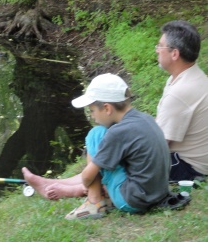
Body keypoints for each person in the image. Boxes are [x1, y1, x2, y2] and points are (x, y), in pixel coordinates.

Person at [24, 73, 170, 219]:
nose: (92, 116)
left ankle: (94, 202)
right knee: (102, 148)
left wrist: (87, 185)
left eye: (92, 110)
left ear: (107, 108)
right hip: (158, 194)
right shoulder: (145, 118)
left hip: (134, 200)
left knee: (96, 134)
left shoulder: (117, 133)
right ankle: (52, 183)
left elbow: (87, 177)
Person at [155, 20, 208, 181]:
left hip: (187, 168)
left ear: (174, 54)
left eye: (160, 46)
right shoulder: (194, 76)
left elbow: (159, 146)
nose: (157, 50)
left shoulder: (180, 92)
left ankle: (84, 185)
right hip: (195, 162)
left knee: (119, 163)